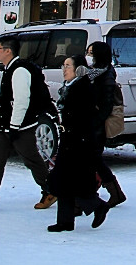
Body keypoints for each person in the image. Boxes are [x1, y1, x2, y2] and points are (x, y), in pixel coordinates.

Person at [0, 35, 54, 214]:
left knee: (32, 160)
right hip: (7, 127)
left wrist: (14, 126)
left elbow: (21, 100)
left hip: (19, 127)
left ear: (8, 51)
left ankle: (51, 190)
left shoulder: (19, 70)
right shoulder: (9, 69)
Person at [46, 54, 109, 232]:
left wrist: (78, 135)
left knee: (72, 179)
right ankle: (65, 221)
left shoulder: (82, 87)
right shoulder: (69, 87)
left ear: (78, 69)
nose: (64, 70)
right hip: (69, 139)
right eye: (63, 66)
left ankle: (97, 206)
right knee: (63, 180)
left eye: (68, 66)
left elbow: (86, 116)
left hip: (79, 141)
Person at [85, 41, 127, 209]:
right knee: (93, 160)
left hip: (97, 126)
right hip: (93, 124)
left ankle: (108, 193)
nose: (88, 56)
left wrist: (96, 121)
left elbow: (106, 105)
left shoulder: (105, 76)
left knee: (93, 160)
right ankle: (110, 192)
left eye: (91, 53)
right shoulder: (95, 73)